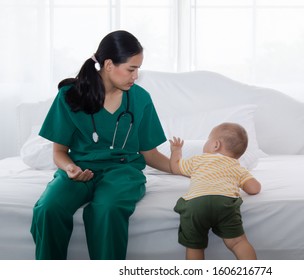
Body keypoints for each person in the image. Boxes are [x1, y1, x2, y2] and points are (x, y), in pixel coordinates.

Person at [30, 30, 171, 260]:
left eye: (138, 70)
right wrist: (69, 169)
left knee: (106, 210)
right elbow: (59, 152)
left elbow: (149, 152)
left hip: (122, 172)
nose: (135, 77)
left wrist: (181, 167)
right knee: (48, 209)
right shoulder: (70, 95)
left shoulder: (140, 98)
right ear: (108, 65)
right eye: (131, 69)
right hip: (79, 170)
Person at [169, 122, 261, 260]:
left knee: (195, 247)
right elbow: (254, 189)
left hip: (196, 204)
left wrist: (176, 151)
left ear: (215, 145)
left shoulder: (199, 160)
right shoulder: (237, 167)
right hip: (225, 204)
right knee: (238, 242)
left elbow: (175, 168)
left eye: (208, 140)